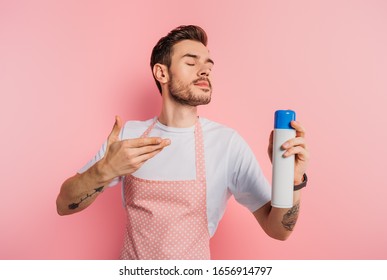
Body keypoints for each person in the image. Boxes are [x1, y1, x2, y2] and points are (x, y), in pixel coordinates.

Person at [56, 25, 310, 260]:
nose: (205, 70)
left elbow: (278, 230)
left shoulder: (227, 143)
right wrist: (106, 169)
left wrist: (294, 182)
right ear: (161, 72)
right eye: (191, 62)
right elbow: (64, 205)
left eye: (208, 66)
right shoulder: (128, 135)